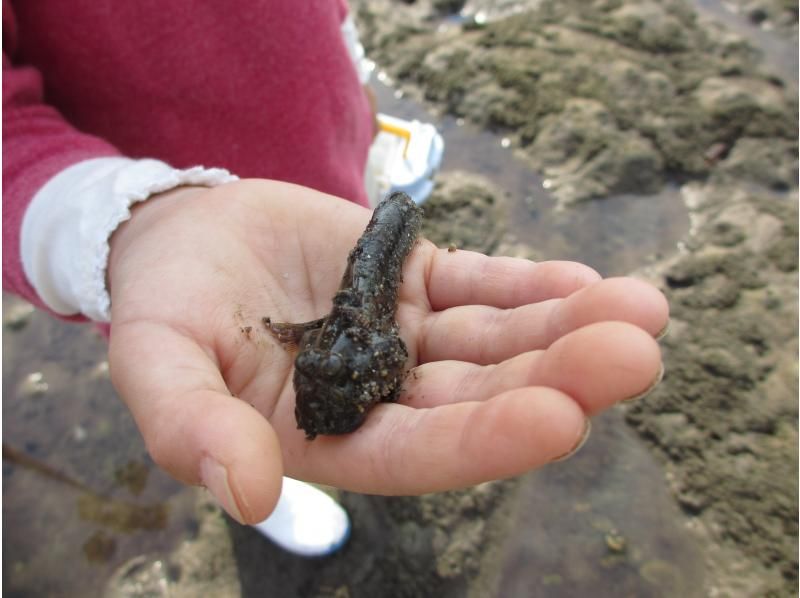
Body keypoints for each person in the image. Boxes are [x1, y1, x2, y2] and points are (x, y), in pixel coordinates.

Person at [3, 1, 668, 557]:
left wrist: (355, 87)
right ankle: (263, 477)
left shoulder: (355, 326)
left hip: (327, 185)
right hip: (179, 249)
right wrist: (135, 227)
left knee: (381, 216)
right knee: (228, 400)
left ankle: (383, 202)